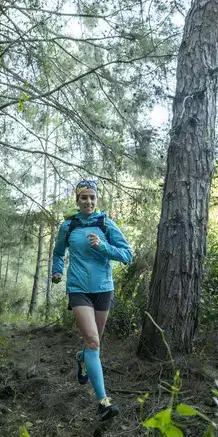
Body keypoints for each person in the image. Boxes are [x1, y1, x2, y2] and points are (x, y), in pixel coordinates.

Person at [51, 178, 133, 421]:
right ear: (77, 200)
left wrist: (104, 246)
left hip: (103, 289)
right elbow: (58, 253)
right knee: (94, 342)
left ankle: (81, 358)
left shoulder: (106, 223)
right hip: (78, 288)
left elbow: (127, 255)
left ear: (96, 200)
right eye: (84, 197)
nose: (88, 201)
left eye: (92, 197)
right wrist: (57, 271)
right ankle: (103, 402)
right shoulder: (68, 226)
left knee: (91, 345)